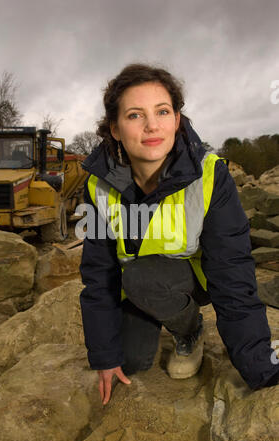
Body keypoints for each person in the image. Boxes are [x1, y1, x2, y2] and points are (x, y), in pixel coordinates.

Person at [79, 63, 279, 405]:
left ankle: (190, 328)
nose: (152, 125)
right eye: (134, 115)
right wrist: (103, 356)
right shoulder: (98, 185)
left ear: (176, 119)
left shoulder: (210, 175)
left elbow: (233, 272)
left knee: (144, 278)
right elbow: (98, 275)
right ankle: (158, 318)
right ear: (114, 128)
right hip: (138, 288)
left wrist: (262, 368)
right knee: (128, 361)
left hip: (194, 281)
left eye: (162, 111)